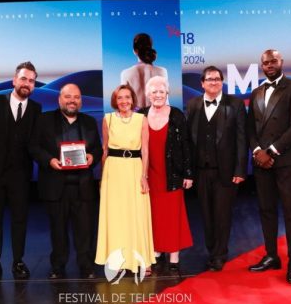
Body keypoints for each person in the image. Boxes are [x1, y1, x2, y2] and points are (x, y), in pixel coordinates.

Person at [246, 49, 291, 285]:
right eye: (265, 63)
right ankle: (272, 255)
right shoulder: (256, 92)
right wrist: (257, 152)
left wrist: (270, 152)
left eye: (273, 61)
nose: (269, 65)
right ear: (261, 66)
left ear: (281, 62)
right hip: (261, 162)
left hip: (287, 160)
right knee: (266, 210)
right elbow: (250, 128)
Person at [29, 83, 102, 279]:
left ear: (81, 101)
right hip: (55, 184)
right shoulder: (44, 120)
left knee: (85, 230)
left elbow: (97, 148)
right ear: (59, 99)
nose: (72, 101)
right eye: (68, 97)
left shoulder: (89, 121)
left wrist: (93, 157)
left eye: (76, 97)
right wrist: (49, 160)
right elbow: (34, 147)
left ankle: (86, 266)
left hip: (83, 185)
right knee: (58, 230)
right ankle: (58, 266)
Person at [0, 61, 41, 281]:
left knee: (20, 220)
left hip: (21, 176)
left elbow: (35, 143)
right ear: (14, 80)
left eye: (31, 81)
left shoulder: (36, 108)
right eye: (23, 79)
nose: (27, 83)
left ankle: (18, 261)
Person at [185, 65, 248, 272]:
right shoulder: (193, 104)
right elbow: (188, 140)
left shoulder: (235, 104)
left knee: (222, 215)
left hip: (226, 171)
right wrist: (188, 171)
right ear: (202, 83)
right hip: (200, 171)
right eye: (210, 79)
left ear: (222, 82)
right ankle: (212, 251)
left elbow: (242, 139)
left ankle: (220, 254)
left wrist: (240, 170)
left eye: (217, 79)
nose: (214, 82)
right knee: (206, 215)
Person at [95, 84, 155, 275]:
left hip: (134, 168)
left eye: (127, 97)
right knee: (116, 216)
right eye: (120, 98)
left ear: (133, 99)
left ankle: (143, 260)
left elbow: (145, 150)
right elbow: (105, 150)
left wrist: (144, 176)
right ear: (115, 101)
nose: (124, 101)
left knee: (137, 214)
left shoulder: (141, 119)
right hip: (113, 171)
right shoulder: (108, 119)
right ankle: (117, 260)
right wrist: (102, 178)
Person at [139, 76, 193, 273]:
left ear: (167, 93)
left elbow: (186, 144)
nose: (158, 95)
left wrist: (188, 173)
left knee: (172, 215)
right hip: (149, 174)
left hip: (172, 173)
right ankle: (156, 250)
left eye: (161, 91)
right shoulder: (141, 115)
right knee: (153, 214)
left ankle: (174, 256)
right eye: (154, 92)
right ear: (148, 94)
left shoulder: (176, 114)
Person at [120, 33, 168, 109]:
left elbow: (124, 104)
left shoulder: (125, 73)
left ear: (135, 51)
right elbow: (166, 101)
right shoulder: (162, 71)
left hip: (137, 115)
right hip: (157, 115)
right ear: (150, 48)